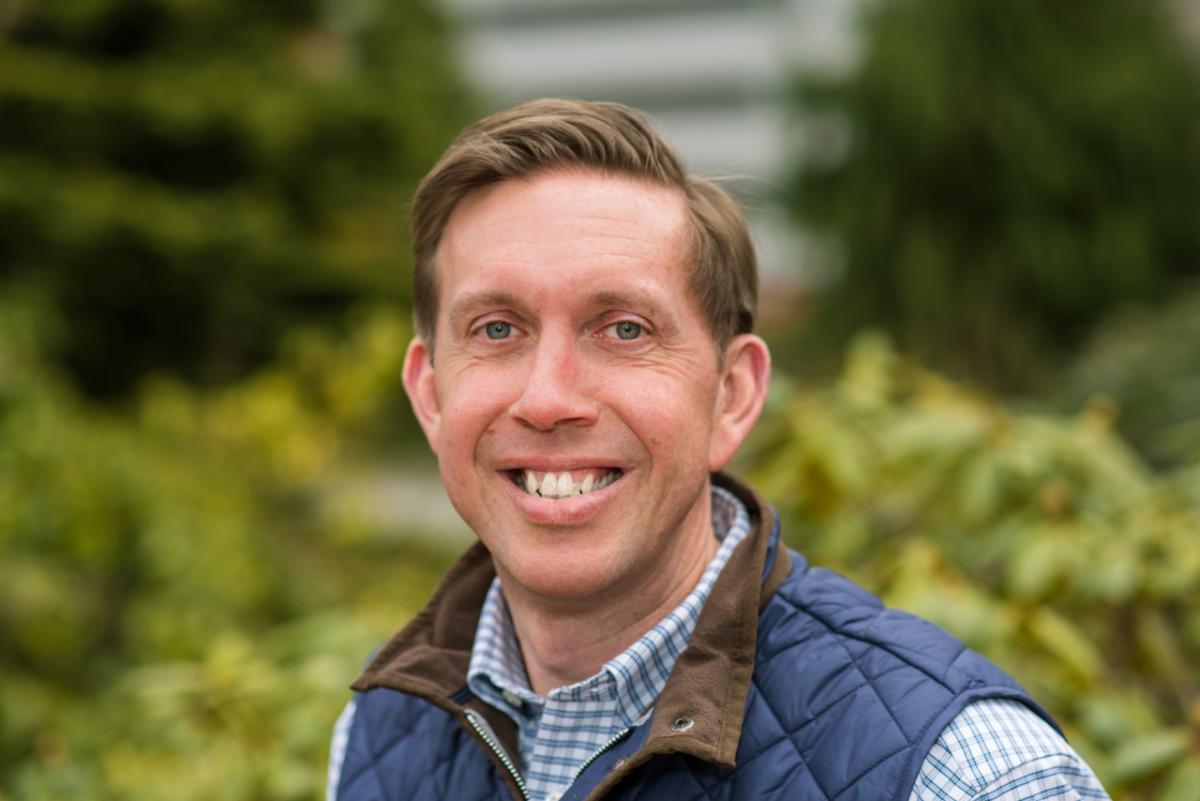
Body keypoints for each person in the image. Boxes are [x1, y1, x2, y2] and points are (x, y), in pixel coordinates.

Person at [326, 99, 1110, 801]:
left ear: (732, 393)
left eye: (623, 328)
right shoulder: (378, 736)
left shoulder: (967, 776)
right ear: (431, 393)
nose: (548, 398)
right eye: (497, 329)